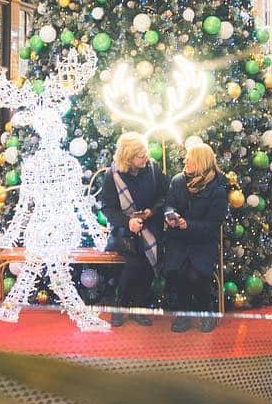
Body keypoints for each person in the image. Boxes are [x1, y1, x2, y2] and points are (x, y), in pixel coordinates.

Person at [97, 132, 164, 324]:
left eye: (145, 154)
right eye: (140, 156)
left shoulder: (152, 168)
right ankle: (121, 305)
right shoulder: (113, 175)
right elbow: (108, 208)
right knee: (135, 263)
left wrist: (151, 211)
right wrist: (129, 223)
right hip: (125, 231)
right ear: (128, 158)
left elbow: (163, 195)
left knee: (149, 262)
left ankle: (139, 309)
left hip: (151, 225)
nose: (146, 158)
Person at [163, 140, 227, 332]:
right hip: (179, 239)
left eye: (190, 160)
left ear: (201, 163)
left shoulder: (217, 188)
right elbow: (169, 204)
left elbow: (213, 224)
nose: (186, 162)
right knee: (176, 271)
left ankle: (205, 312)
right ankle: (183, 314)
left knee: (197, 274)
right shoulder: (178, 181)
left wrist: (188, 225)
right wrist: (170, 215)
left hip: (203, 241)